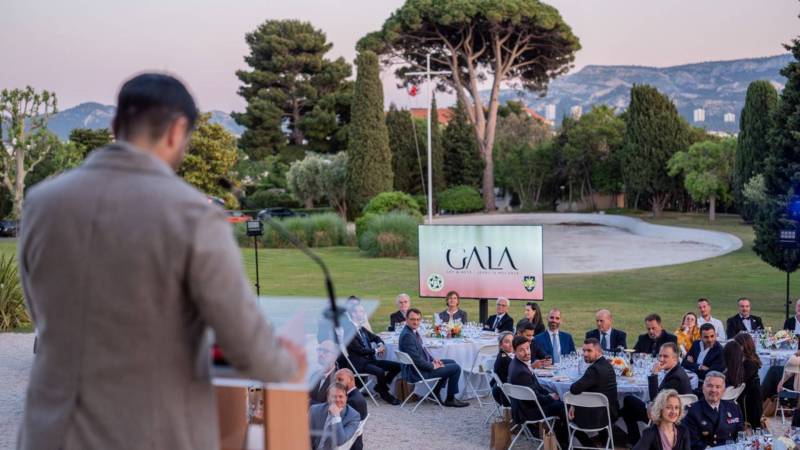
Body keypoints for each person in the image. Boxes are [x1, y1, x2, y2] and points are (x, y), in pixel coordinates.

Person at [15, 73, 306, 450]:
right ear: (177, 130)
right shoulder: (192, 216)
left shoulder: (41, 203)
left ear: (114, 126)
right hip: (152, 432)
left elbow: (40, 313)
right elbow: (245, 346)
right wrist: (288, 364)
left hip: (50, 433)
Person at [622, 342, 692, 445]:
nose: (661, 359)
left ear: (675, 358)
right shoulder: (677, 371)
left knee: (628, 400)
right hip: (674, 414)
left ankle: (636, 442)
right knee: (627, 409)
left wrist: (654, 374)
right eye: (660, 355)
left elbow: (655, 398)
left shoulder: (675, 378)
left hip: (666, 417)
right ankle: (635, 442)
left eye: (665, 356)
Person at [507, 335, 570, 448]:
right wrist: (550, 397)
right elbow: (534, 399)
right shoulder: (521, 372)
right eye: (521, 350)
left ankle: (558, 438)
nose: (526, 352)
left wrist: (549, 394)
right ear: (514, 351)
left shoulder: (516, 364)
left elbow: (536, 387)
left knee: (558, 400)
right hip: (527, 411)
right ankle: (563, 444)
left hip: (521, 407)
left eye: (527, 348)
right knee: (563, 406)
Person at [398, 308, 468, 407]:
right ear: (406, 319)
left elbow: (422, 351)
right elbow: (416, 360)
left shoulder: (411, 331)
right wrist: (432, 366)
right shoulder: (407, 336)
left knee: (451, 361)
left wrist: (433, 360)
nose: (416, 322)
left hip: (418, 367)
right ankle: (450, 399)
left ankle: (434, 392)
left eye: (418, 319)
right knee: (455, 368)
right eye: (413, 319)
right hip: (416, 372)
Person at [342, 304, 402, 405]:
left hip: (370, 360)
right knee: (379, 371)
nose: (363, 314)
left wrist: (380, 344)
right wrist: (376, 350)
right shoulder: (349, 330)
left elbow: (375, 337)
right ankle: (385, 394)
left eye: (363, 311)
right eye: (360, 311)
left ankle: (380, 386)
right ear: (353, 314)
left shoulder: (360, 327)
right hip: (359, 363)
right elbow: (360, 350)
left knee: (398, 366)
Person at [569, 338, 619, 446]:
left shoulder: (594, 370)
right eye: (584, 350)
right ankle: (606, 445)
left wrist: (572, 405)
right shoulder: (607, 364)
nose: (585, 354)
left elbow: (574, 388)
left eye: (589, 351)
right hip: (609, 413)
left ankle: (587, 446)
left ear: (598, 351)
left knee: (561, 411)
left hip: (596, 417)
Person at [684, 372, 744, 450]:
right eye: (709, 386)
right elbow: (692, 441)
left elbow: (739, 434)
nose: (713, 390)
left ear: (723, 390)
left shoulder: (733, 407)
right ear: (703, 388)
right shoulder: (692, 411)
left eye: (718, 387)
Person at [309, 383, 361, 449]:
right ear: (327, 398)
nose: (337, 400)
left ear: (346, 398)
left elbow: (340, 441)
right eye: (333, 396)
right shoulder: (315, 410)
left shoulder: (353, 417)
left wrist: (336, 416)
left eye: (340, 396)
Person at [732, 333, 762, 428]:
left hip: (749, 398)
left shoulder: (750, 363)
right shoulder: (740, 359)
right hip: (741, 393)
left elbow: (738, 379)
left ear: (744, 346)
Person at [334, 369, 367, 450]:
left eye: (340, 379)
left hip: (349, 445)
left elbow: (340, 426)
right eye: (336, 380)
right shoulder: (355, 396)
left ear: (351, 380)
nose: (337, 383)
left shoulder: (352, 401)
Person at [311, 340, 340, 404]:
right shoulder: (315, 375)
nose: (321, 354)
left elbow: (330, 406)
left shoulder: (340, 379)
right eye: (319, 350)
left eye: (326, 351)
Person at [492, 331, 515, 406]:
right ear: (500, 345)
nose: (511, 344)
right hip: (506, 395)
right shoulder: (504, 358)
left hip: (503, 390)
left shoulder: (504, 355)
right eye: (507, 342)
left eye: (512, 341)